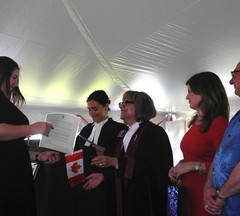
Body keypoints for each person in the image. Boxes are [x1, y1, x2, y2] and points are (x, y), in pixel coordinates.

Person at [0, 56, 60, 216]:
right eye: (14, 77)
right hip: (0, 177)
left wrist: (38, 156)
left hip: (7, 173)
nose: (16, 83)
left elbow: (9, 148)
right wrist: (32, 128)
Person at [38, 90, 127, 216]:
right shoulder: (86, 129)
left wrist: (106, 156)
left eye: (95, 109)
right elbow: (74, 152)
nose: (91, 114)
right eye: (89, 109)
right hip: (82, 181)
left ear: (106, 105)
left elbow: (122, 159)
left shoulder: (118, 129)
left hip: (104, 183)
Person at [91, 90, 173, 216]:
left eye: (126, 103)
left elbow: (153, 166)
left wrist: (114, 161)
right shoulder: (124, 133)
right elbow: (120, 167)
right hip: (124, 200)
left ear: (140, 106)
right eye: (121, 103)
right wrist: (104, 176)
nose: (121, 106)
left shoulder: (154, 132)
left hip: (145, 201)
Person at [168, 72, 229, 216]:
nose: (186, 96)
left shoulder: (217, 123)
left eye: (190, 91)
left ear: (204, 92)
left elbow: (226, 165)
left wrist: (192, 166)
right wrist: (179, 167)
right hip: (188, 193)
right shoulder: (196, 123)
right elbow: (194, 155)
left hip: (205, 195)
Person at [203, 62, 240, 216]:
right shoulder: (236, 117)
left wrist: (220, 194)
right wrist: (208, 186)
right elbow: (219, 155)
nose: (231, 81)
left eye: (235, 74)